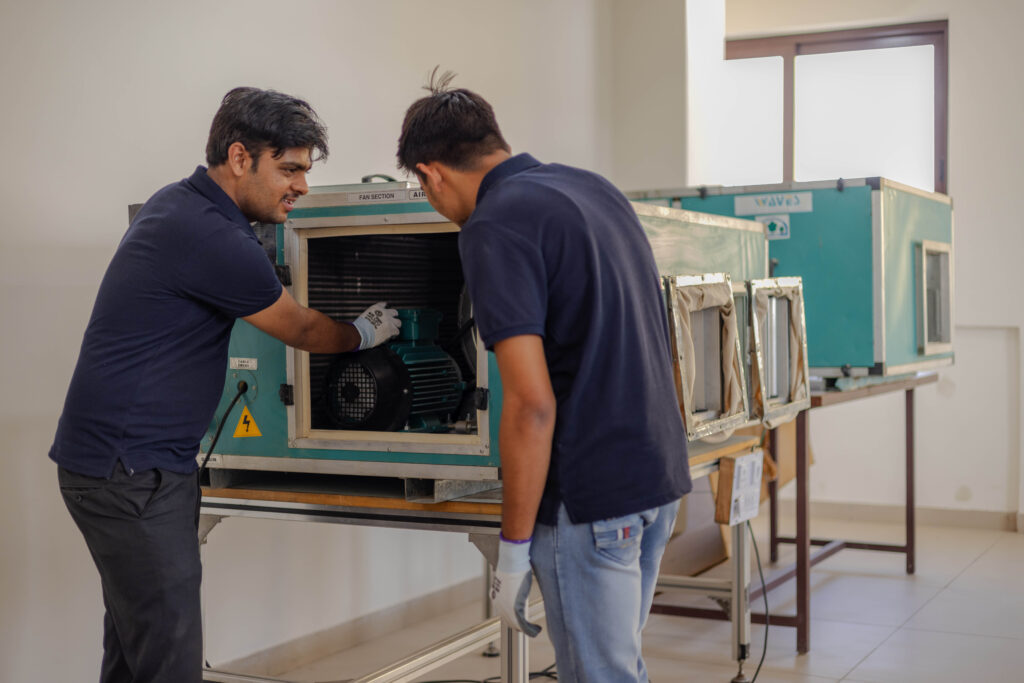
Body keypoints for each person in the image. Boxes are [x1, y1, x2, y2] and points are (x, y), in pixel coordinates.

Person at [50, 87, 401, 683]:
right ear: (240, 158)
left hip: (128, 467)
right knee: (170, 658)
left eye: (306, 171)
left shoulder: (178, 206)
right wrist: (362, 335)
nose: (302, 186)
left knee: (136, 650)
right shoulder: (212, 234)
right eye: (289, 169)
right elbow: (300, 328)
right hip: (131, 473)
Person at [397, 71, 692, 682]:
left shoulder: (494, 224)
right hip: (655, 477)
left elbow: (531, 405)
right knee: (619, 668)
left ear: (430, 173)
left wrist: (511, 551)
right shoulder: (593, 188)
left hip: (589, 498)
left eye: (423, 190)